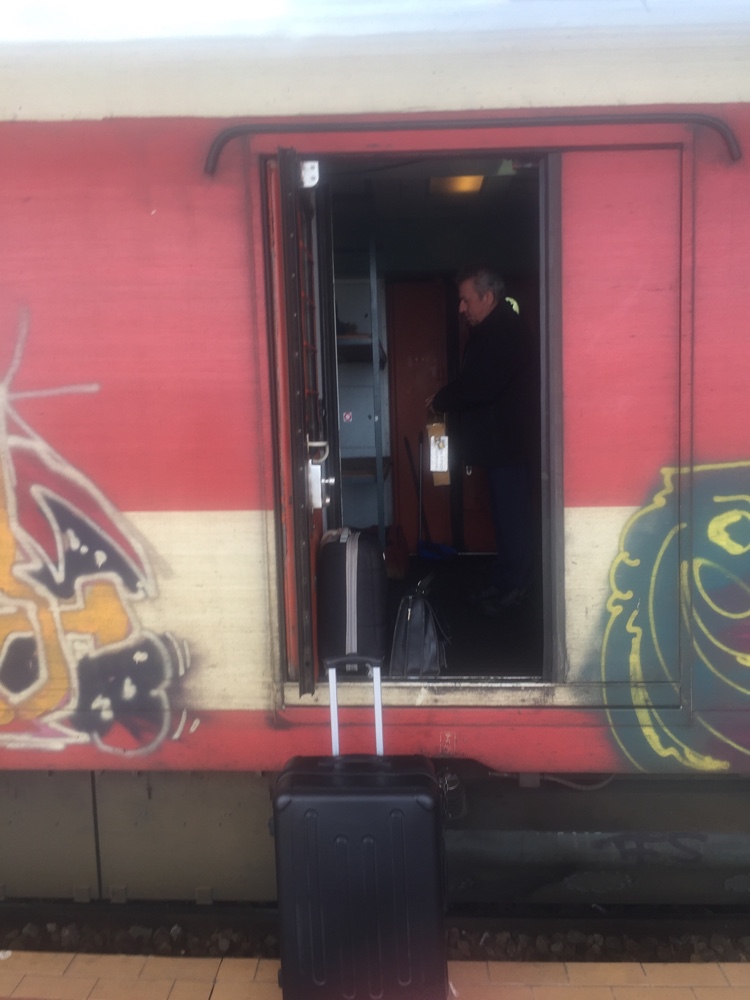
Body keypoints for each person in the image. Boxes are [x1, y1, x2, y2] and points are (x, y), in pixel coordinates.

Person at [428, 266, 535, 614]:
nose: (461, 308)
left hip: (510, 447)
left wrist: (442, 399)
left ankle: (515, 589)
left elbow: (480, 385)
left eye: (466, 300)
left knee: (513, 521)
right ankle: (504, 583)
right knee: (506, 520)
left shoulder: (504, 332)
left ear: (487, 297)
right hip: (501, 446)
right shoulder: (495, 328)